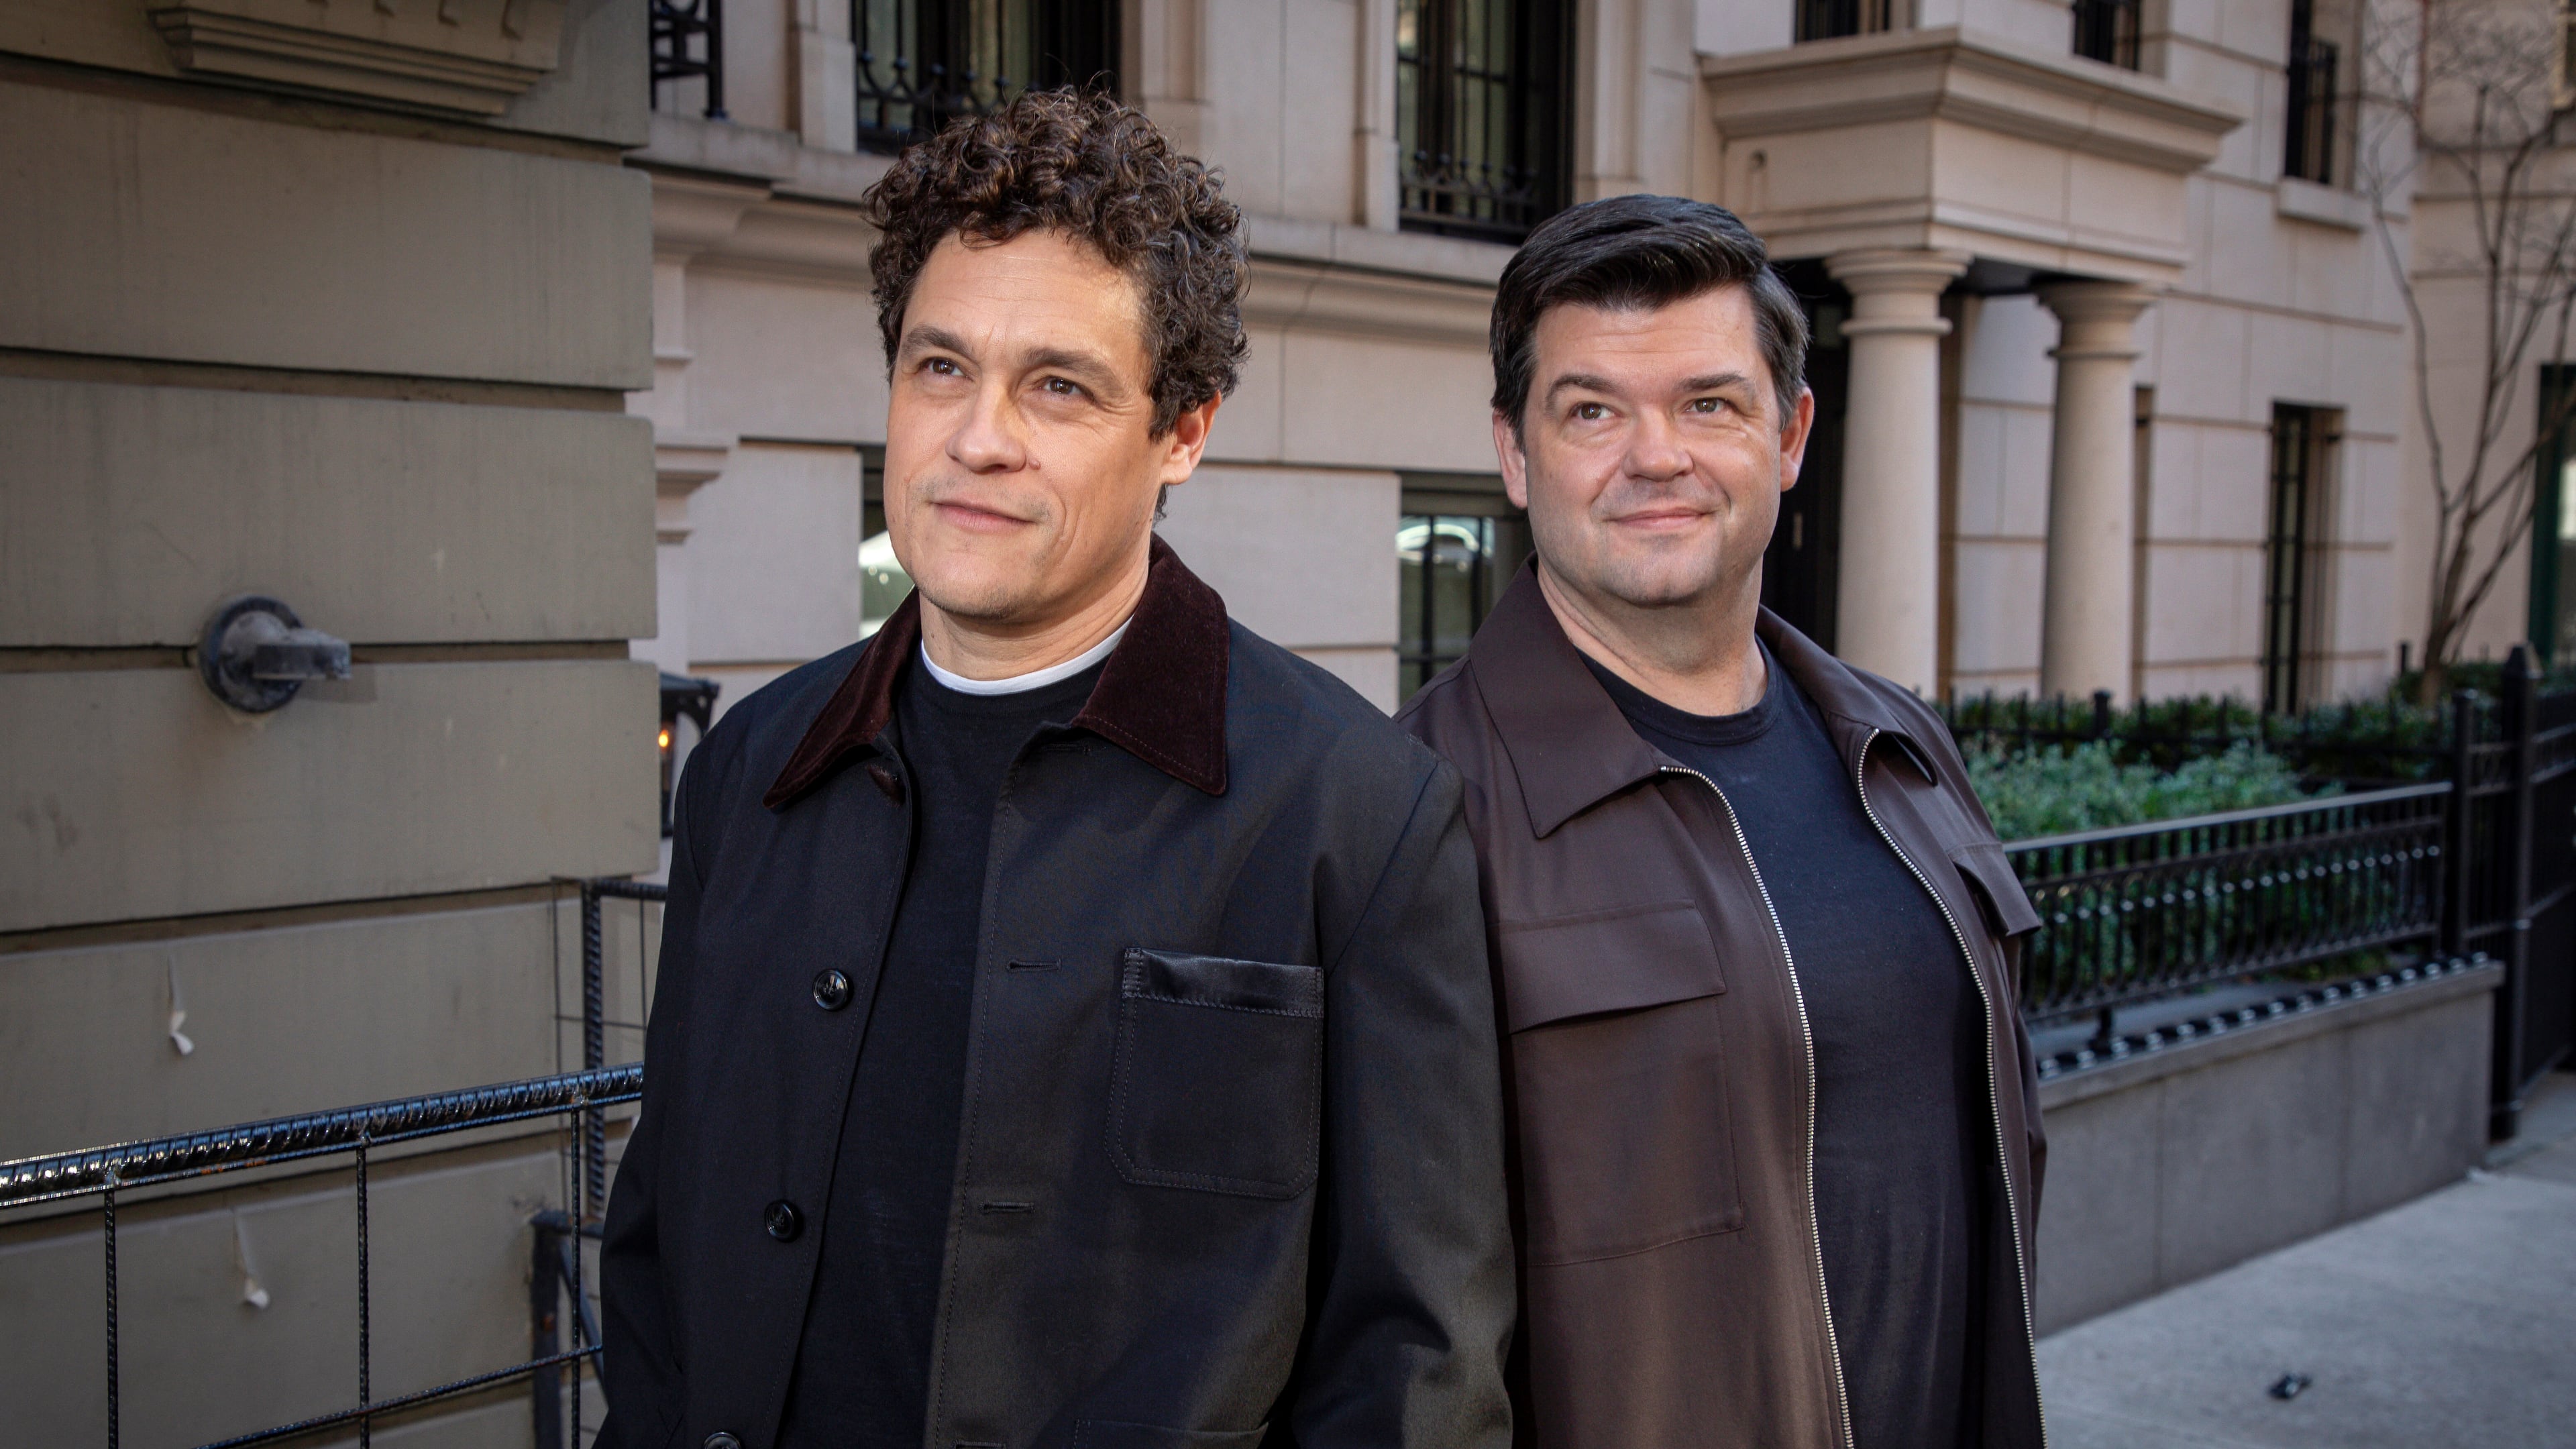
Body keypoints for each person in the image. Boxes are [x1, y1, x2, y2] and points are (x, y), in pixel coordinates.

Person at [599, 91, 1514, 1449]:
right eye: (941, 368)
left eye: (1060, 387)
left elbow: (1415, 1368)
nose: (980, 438)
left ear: (1182, 433)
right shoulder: (752, 769)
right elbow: (663, 1247)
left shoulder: (1356, 816)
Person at [1396, 195, 2049, 1449]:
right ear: (1516, 452)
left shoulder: (1903, 751)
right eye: (1592, 411)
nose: (1657, 457)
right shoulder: (1413, 808)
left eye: (1709, 403)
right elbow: (1385, 1331)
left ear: (1789, 434)